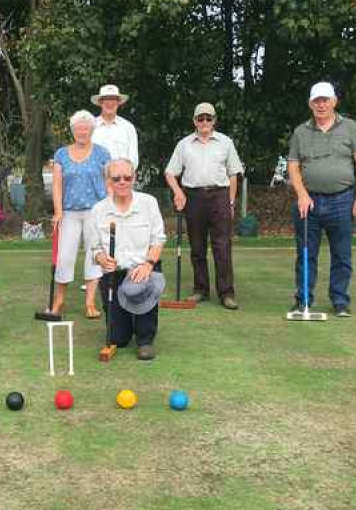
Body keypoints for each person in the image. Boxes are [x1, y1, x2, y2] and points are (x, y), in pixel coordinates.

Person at [286, 82, 356, 317]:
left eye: (325, 100)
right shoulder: (301, 132)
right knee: (306, 253)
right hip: (309, 201)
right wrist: (301, 194)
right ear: (310, 104)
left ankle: (340, 300)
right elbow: (293, 166)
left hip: (342, 199)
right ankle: (303, 299)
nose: (321, 104)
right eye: (316, 101)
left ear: (334, 102)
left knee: (342, 254)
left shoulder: (351, 127)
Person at [165, 102, 245, 310]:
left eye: (208, 118)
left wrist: (231, 200)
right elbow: (170, 172)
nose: (204, 122)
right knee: (197, 247)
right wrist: (178, 192)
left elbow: (234, 173)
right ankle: (201, 289)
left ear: (214, 120)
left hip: (220, 195)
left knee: (222, 247)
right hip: (194, 197)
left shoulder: (226, 142)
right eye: (200, 119)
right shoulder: (184, 144)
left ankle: (226, 292)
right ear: (194, 121)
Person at [91, 158, 166, 360]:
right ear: (108, 181)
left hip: (142, 271)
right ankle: (123, 328)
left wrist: (148, 265)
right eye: (116, 178)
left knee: (144, 330)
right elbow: (94, 247)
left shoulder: (148, 203)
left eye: (127, 177)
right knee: (118, 339)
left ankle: (145, 339)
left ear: (134, 178)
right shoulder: (98, 210)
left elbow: (158, 240)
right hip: (114, 275)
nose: (122, 182)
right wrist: (102, 259)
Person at [48, 110, 111, 319]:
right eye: (78, 128)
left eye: (86, 128)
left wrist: (111, 208)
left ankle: (90, 303)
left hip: (96, 211)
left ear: (92, 130)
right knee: (64, 256)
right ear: (72, 130)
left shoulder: (102, 153)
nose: (82, 132)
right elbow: (57, 185)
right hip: (69, 212)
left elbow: (109, 182)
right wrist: (57, 212)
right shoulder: (61, 154)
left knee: (94, 256)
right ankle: (59, 301)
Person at [91, 84, 139, 170]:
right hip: (94, 179)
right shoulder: (90, 126)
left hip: (120, 180)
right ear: (100, 102)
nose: (110, 103)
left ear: (118, 103)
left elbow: (133, 159)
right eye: (106, 99)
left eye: (113, 99)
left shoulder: (128, 127)